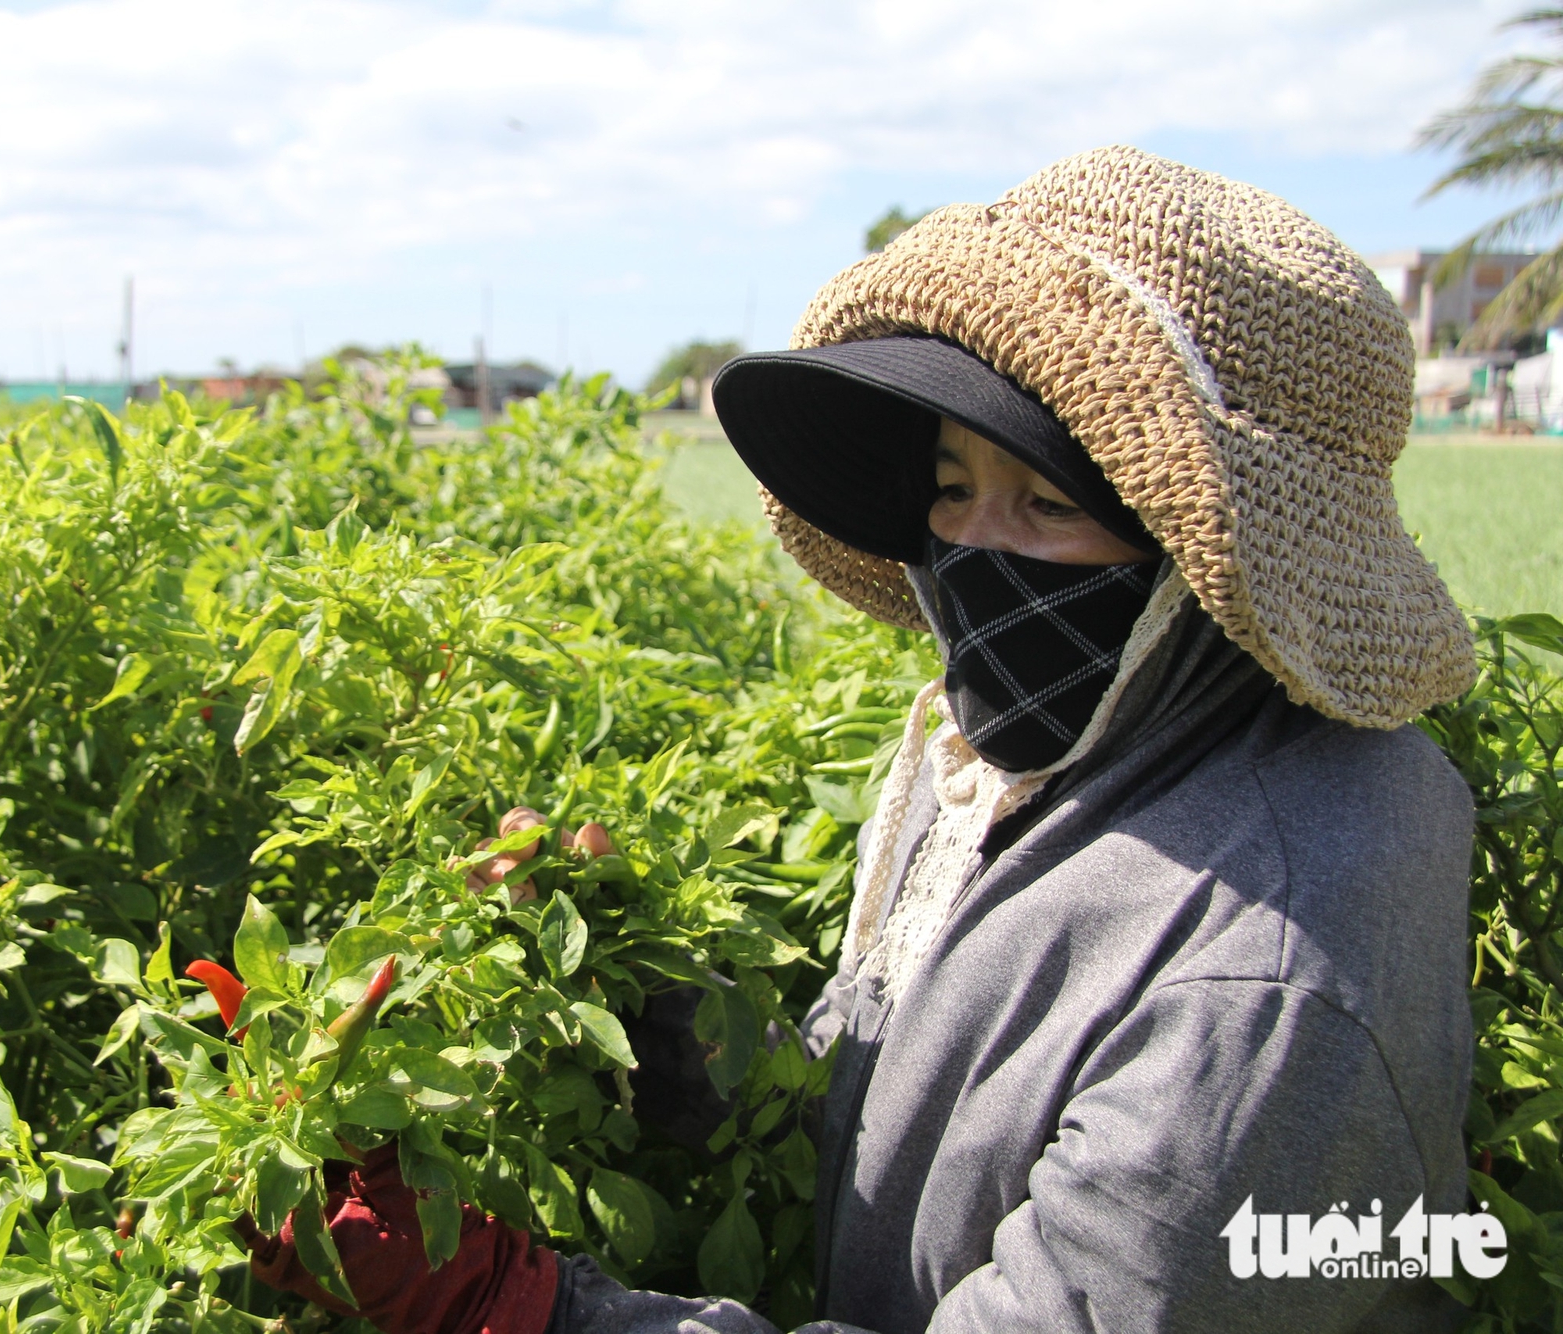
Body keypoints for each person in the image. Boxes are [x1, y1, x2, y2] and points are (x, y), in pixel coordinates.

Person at [236, 146, 1481, 1332]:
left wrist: (506, 1305)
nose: (973, 550)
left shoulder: (1267, 972)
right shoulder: (1047, 760)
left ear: (1207, 563)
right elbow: (874, 1098)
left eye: (1046, 501)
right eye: (951, 486)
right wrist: (630, 978)